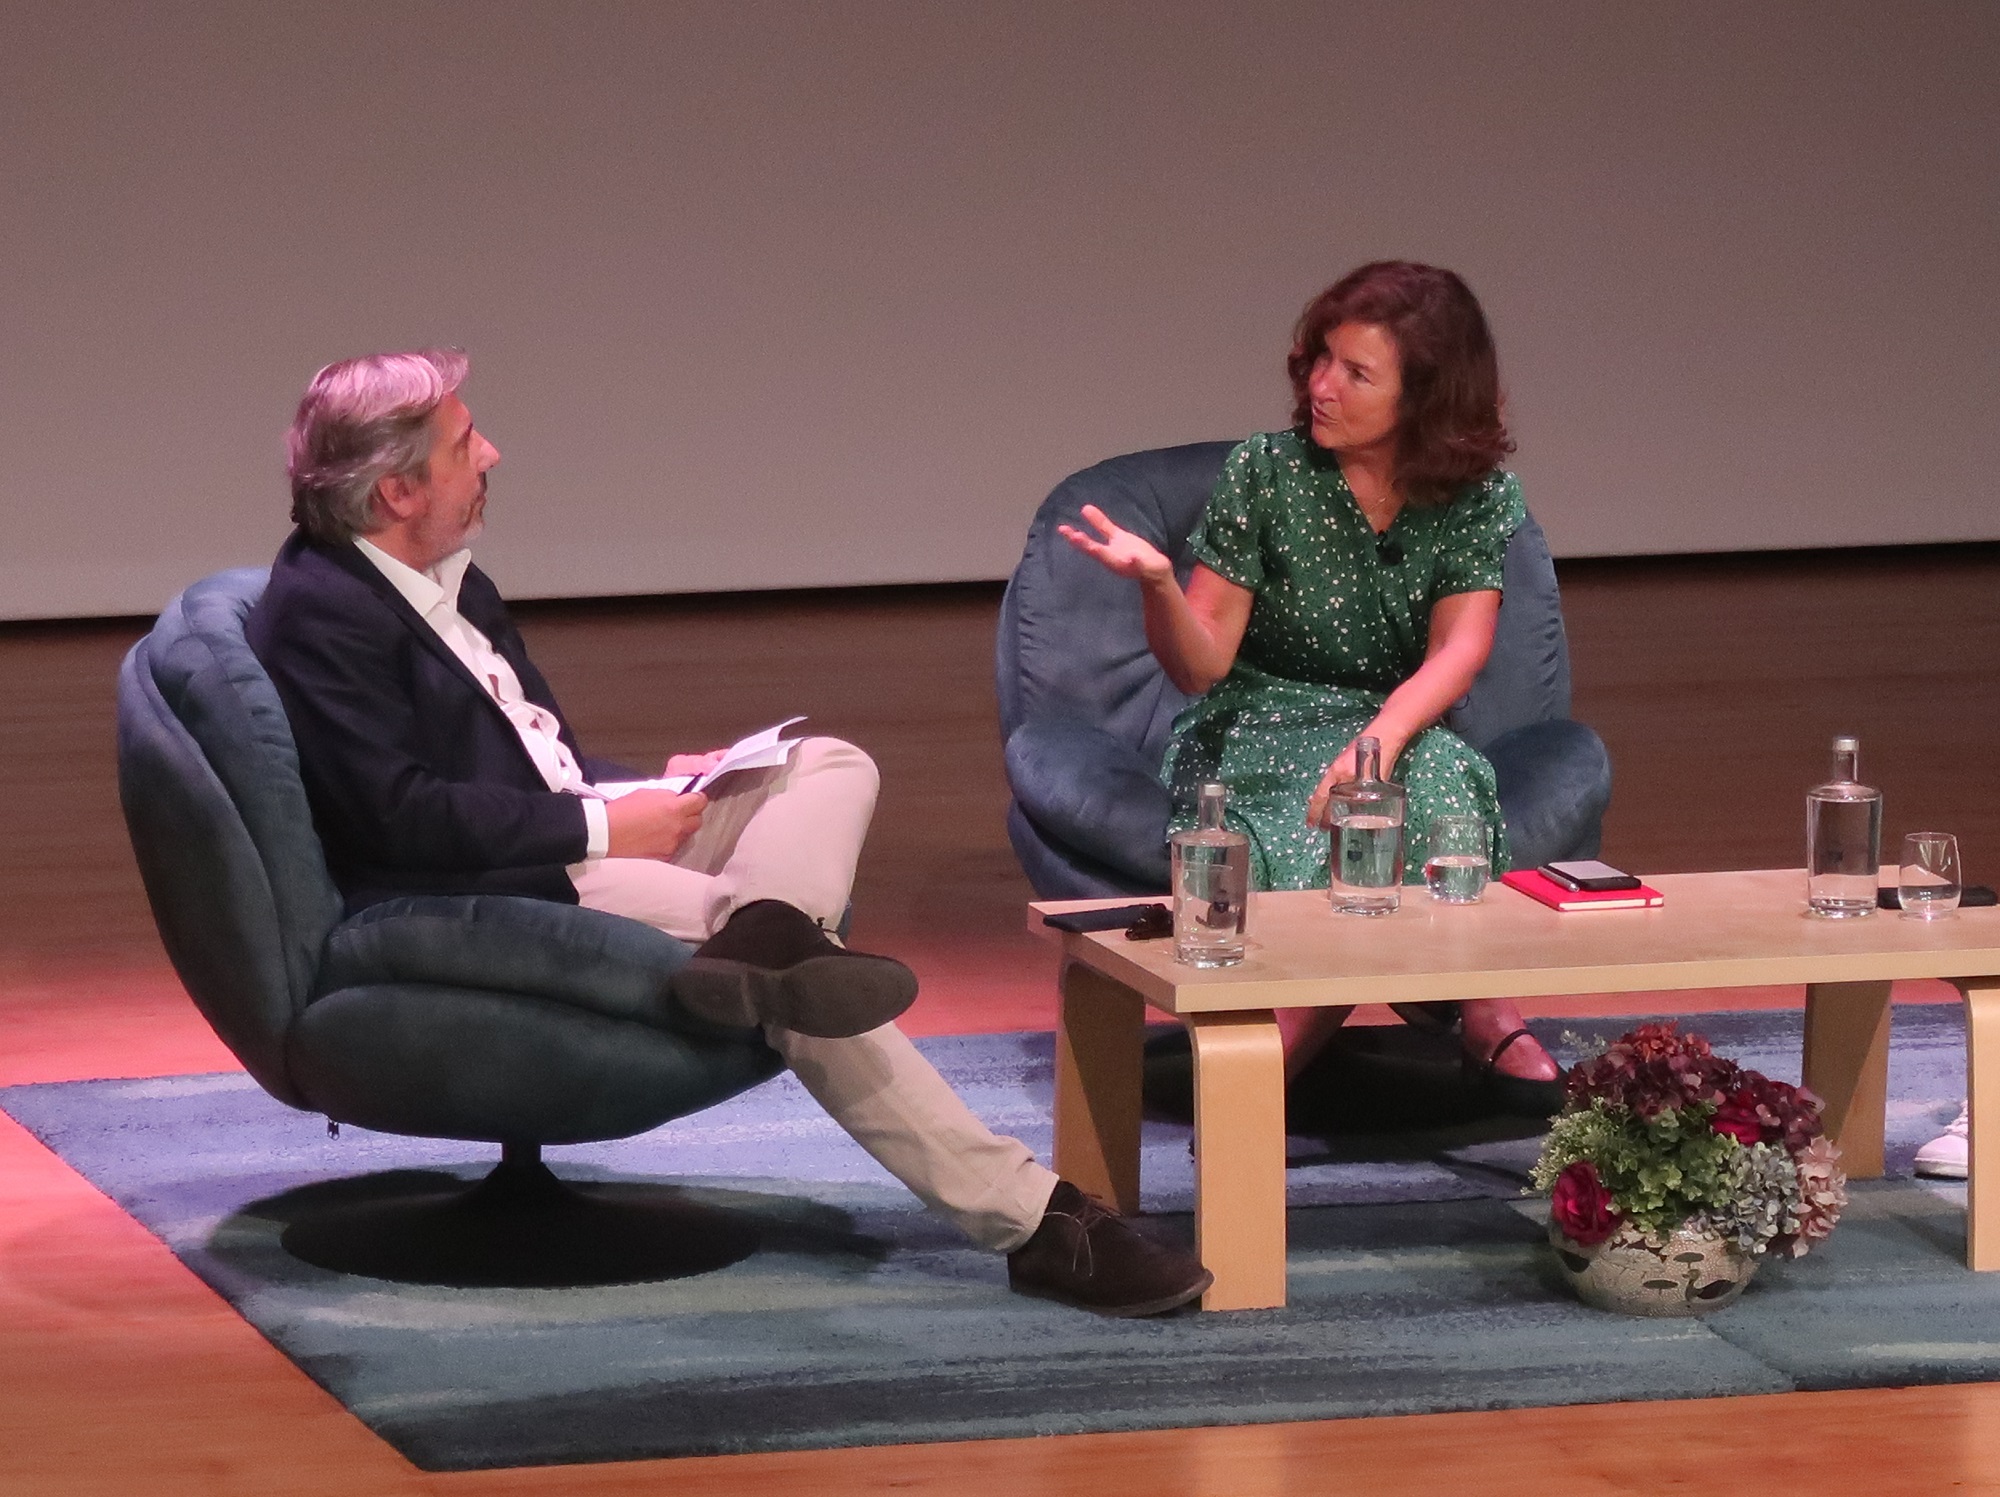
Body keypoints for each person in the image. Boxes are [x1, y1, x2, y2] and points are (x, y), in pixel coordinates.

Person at [247, 347, 1211, 1316]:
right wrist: (602, 823)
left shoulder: (444, 578)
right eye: (465, 444)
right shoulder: (326, 616)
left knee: (828, 763)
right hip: (502, 882)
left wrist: (638, 787)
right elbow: (400, 815)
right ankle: (1037, 1223)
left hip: (565, 829)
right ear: (398, 490)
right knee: (797, 988)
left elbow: (522, 754)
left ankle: (771, 928)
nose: (492, 452)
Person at [1060, 261, 1562, 1113]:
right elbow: (1201, 666)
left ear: (1425, 397)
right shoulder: (1267, 471)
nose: (1322, 385)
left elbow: (1460, 648)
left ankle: (1456, 1016)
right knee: (1330, 831)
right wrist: (1158, 585)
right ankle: (1312, 1042)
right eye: (1322, 359)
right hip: (1255, 724)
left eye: (1356, 372)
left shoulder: (1474, 494)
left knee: (1435, 786)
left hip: (1390, 724)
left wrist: (1376, 745)